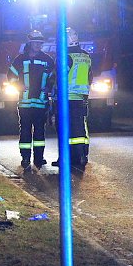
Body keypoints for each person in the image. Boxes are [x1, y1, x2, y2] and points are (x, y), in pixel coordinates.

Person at [8, 30, 54, 169]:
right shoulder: (20, 60)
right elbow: (10, 76)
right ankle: (25, 158)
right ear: (30, 43)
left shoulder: (47, 60)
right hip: (25, 103)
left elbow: (53, 77)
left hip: (41, 103)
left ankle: (39, 158)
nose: (38, 45)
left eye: (40, 43)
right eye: (36, 43)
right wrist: (18, 86)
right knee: (25, 131)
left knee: (40, 131)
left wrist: (49, 87)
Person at [52, 28, 92, 168]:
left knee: (63, 128)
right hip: (80, 97)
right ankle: (81, 155)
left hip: (64, 98)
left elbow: (58, 77)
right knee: (79, 128)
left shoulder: (64, 56)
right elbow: (89, 76)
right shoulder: (86, 56)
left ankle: (65, 159)